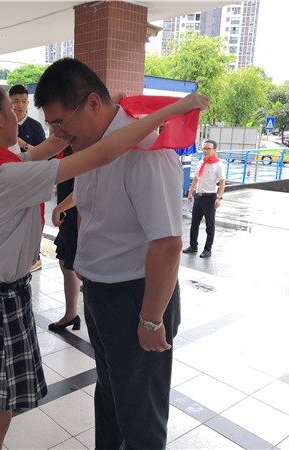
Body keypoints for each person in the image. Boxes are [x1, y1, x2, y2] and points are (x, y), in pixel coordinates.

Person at [0, 79, 208, 449]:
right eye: (12, 108)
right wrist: (172, 110)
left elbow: (48, 148)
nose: (21, 116)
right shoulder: (7, 174)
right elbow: (104, 153)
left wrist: (73, 127)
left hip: (6, 295)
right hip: (0, 302)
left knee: (11, 412)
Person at [34, 58, 207, 450]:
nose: (57, 134)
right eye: (51, 125)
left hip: (136, 298)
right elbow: (92, 208)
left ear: (93, 103)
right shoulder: (92, 147)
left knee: (140, 414)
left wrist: (151, 318)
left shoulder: (146, 152)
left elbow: (167, 243)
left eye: (60, 122)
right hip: (102, 293)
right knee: (111, 396)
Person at [9, 84, 47, 272]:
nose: (20, 105)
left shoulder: (35, 126)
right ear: (9, 102)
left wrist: (20, 142)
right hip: (11, 182)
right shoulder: (2, 124)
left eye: (23, 101)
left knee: (36, 219)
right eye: (16, 101)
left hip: (33, 181)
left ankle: (34, 256)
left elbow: (44, 155)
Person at [49, 146, 81, 332]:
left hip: (77, 217)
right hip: (68, 218)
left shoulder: (82, 150)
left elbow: (80, 191)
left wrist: (58, 208)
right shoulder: (68, 149)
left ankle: (84, 316)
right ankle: (71, 313)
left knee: (77, 267)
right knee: (66, 264)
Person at [182, 139, 226, 258]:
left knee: (209, 225)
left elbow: (222, 182)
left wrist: (219, 198)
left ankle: (207, 249)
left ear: (214, 150)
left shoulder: (218, 165)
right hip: (198, 196)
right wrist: (191, 192)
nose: (205, 151)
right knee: (194, 223)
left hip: (210, 198)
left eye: (208, 149)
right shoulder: (201, 162)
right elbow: (196, 178)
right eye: (204, 148)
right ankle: (193, 246)